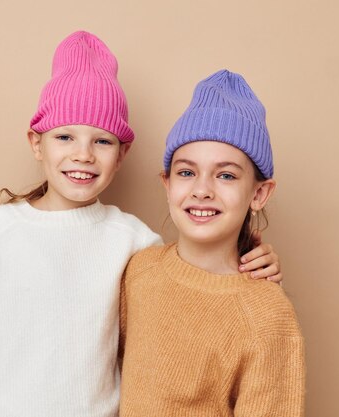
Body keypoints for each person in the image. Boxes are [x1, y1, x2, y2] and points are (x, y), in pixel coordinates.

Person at [0, 31, 282, 417]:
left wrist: (253, 257)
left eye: (102, 141)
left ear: (122, 153)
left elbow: (191, 287)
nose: (82, 155)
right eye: (65, 136)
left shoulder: (134, 241)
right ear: (36, 143)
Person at [118, 70, 305, 416]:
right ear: (167, 183)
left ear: (259, 193)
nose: (202, 189)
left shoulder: (268, 316)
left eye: (226, 175)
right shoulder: (139, 272)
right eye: (187, 172)